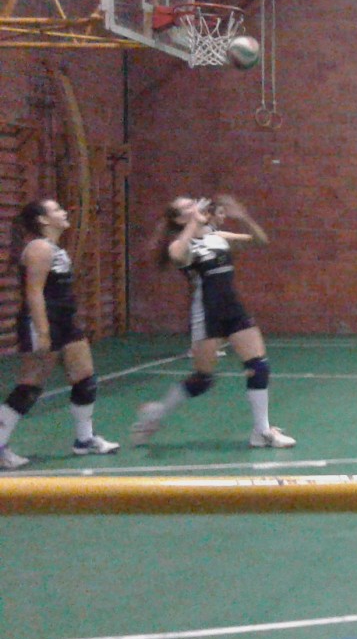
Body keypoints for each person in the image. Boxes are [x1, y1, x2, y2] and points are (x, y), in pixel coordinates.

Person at [131, 194, 295, 449]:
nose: (195, 205)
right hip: (207, 313)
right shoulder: (181, 244)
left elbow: (260, 241)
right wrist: (193, 224)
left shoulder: (216, 237)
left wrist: (244, 218)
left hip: (233, 308)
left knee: (259, 366)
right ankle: (157, 413)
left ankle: (261, 431)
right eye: (187, 206)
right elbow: (177, 257)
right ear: (179, 219)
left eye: (193, 202)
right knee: (203, 379)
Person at [0, 199, 120, 470]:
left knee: (85, 378)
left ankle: (84, 440)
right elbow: (34, 292)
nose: (64, 212)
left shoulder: (54, 247)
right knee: (30, 387)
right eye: (56, 210)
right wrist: (43, 332)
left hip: (65, 322)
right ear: (43, 220)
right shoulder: (39, 248)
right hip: (44, 321)